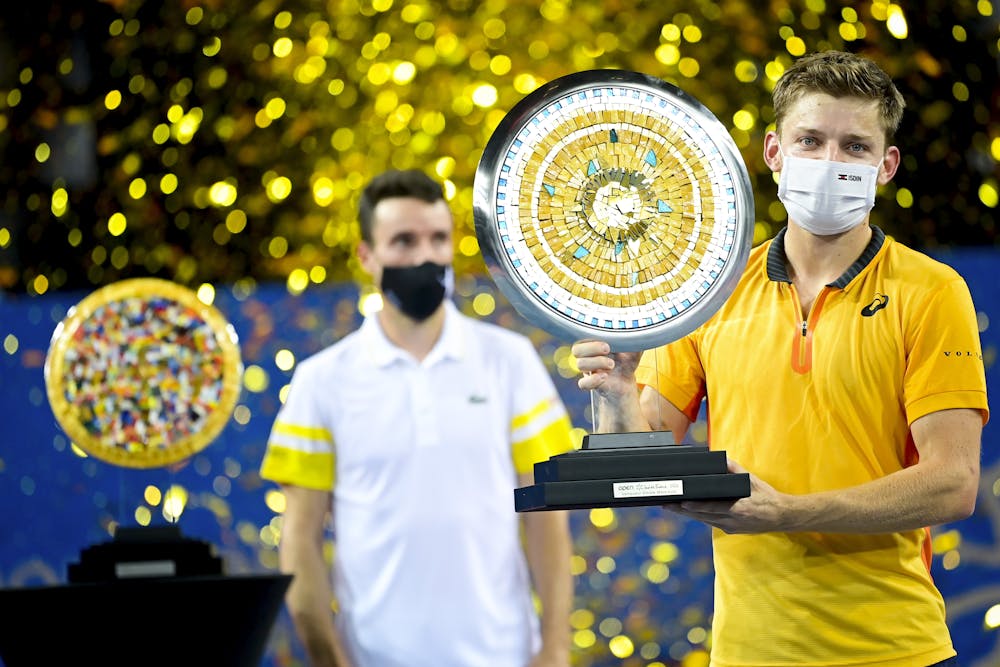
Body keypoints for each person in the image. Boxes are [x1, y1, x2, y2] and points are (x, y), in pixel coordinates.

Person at [573, 50, 989, 666]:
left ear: (886, 165)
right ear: (774, 152)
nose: (829, 161)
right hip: (746, 651)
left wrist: (787, 514)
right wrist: (616, 396)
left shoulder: (932, 292)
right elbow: (645, 465)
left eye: (854, 147)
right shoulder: (709, 291)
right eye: (810, 140)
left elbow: (953, 483)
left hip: (893, 650)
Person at [260, 169, 575, 667]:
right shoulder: (321, 381)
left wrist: (555, 650)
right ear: (367, 256)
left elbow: (547, 519)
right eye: (403, 241)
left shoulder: (509, 362)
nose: (424, 256)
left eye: (438, 239)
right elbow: (299, 538)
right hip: (374, 657)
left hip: (504, 654)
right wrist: (330, 659)